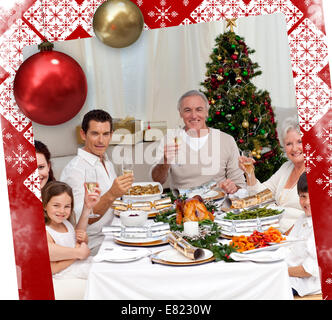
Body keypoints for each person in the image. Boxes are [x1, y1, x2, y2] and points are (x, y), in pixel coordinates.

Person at [60, 109, 134, 255]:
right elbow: (84, 220)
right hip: (94, 243)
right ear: (83, 134)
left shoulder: (105, 160)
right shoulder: (75, 171)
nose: (101, 140)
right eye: (95, 134)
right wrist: (112, 194)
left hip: (116, 232)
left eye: (105, 134)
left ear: (111, 135)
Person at [151, 90, 246, 193]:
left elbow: (239, 184)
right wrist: (165, 161)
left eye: (199, 109)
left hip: (219, 204)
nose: (194, 116)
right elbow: (157, 180)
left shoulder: (226, 140)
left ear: (207, 112)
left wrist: (234, 187)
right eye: (187, 110)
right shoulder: (169, 140)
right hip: (182, 205)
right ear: (180, 113)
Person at [238, 116, 305, 233]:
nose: (295, 148)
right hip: (273, 232)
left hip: (297, 236)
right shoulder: (286, 168)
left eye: (300, 142)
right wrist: (249, 172)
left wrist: (288, 236)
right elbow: (259, 195)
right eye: (289, 144)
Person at [43, 181, 101, 279]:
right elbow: (52, 268)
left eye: (67, 206)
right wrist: (78, 254)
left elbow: (76, 242)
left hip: (78, 267)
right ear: (44, 205)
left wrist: (83, 239)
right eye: (56, 205)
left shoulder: (66, 223)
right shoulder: (47, 232)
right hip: (65, 276)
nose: (62, 211)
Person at [285, 172, 321, 297]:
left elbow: (309, 270)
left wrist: (279, 271)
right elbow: (287, 243)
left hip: (305, 283)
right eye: (303, 196)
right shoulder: (303, 218)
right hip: (291, 273)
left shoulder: (323, 226)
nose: (307, 202)